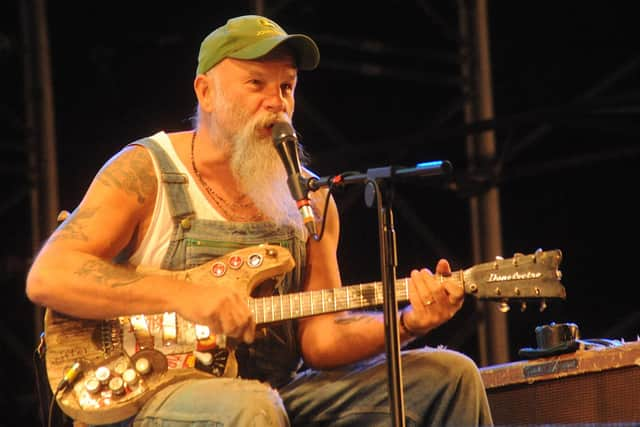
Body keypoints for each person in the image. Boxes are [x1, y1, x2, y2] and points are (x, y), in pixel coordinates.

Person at [26, 14, 493, 427]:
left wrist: (409, 321)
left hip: (275, 392)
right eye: (256, 84)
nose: (277, 102)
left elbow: (323, 338)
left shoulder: (310, 195)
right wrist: (184, 294)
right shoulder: (144, 170)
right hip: (153, 397)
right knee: (254, 408)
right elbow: (50, 277)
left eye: (286, 86)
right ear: (205, 92)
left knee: (450, 377)